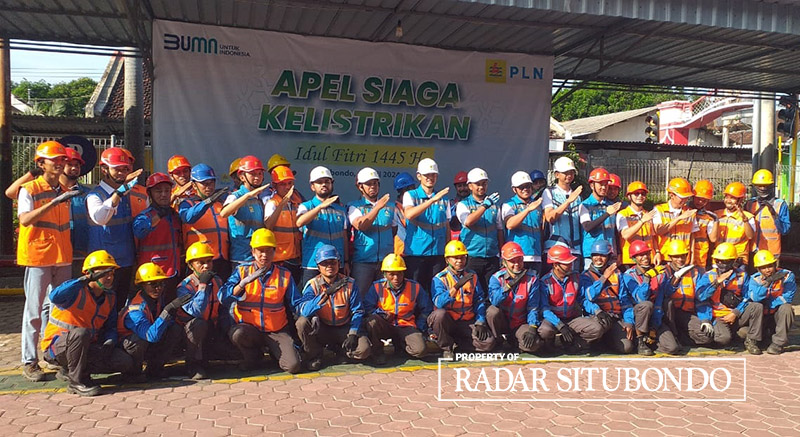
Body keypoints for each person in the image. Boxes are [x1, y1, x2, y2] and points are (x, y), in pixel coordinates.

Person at [17, 141, 79, 381]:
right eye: (56, 160)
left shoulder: (63, 192)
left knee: (60, 311)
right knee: (34, 311)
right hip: (38, 257)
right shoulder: (30, 189)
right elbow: (24, 220)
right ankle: (30, 361)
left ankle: (54, 355)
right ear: (41, 164)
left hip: (62, 257)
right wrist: (52, 203)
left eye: (62, 160)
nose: (61, 164)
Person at [41, 250, 133, 396]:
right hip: (56, 348)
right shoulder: (75, 291)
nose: (109, 277)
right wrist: (84, 280)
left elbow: (110, 327)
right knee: (80, 333)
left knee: (124, 361)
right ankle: (76, 382)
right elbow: (55, 296)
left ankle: (69, 370)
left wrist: (109, 342)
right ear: (90, 273)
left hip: (85, 346)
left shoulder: (110, 298)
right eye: (104, 273)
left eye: (112, 273)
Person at [219, 229, 302, 373]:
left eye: (269, 250)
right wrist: (241, 284)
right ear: (252, 252)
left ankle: (275, 352)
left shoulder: (284, 274)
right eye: (260, 251)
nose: (264, 255)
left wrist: (309, 313)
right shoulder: (242, 271)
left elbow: (297, 303)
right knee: (237, 333)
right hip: (251, 330)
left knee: (293, 366)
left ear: (274, 251)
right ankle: (253, 357)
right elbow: (222, 298)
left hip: (276, 331)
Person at [296, 245, 370, 370]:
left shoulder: (350, 283)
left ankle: (341, 351)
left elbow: (357, 311)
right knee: (302, 323)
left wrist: (353, 333)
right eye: (324, 263)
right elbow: (304, 311)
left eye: (333, 262)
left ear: (339, 263)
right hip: (322, 328)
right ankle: (315, 356)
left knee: (364, 350)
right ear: (318, 266)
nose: (329, 266)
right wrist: (325, 295)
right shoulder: (312, 285)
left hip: (344, 327)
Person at [86, 147, 141, 311]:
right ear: (104, 169)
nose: (121, 173)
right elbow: (100, 217)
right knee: (101, 307)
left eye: (124, 169)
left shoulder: (129, 195)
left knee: (119, 306)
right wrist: (118, 194)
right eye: (117, 169)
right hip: (103, 263)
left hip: (125, 260)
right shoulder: (95, 196)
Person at [118, 263, 189, 380]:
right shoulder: (135, 310)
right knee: (139, 341)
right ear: (142, 285)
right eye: (153, 284)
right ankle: (132, 373)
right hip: (127, 348)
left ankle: (154, 369)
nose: (158, 288)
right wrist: (167, 311)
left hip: (148, 342)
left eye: (161, 284)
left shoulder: (156, 300)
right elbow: (151, 336)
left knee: (175, 329)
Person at [428, 240, 496, 359]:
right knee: (439, 315)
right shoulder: (440, 278)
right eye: (455, 258)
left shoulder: (472, 275)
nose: (459, 261)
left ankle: (461, 343)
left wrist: (480, 321)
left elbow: (479, 300)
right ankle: (446, 348)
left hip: (466, 321)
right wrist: (456, 287)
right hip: (448, 321)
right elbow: (439, 303)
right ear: (447, 260)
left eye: (462, 257)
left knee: (488, 343)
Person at [364, 254, 432, 364]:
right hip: (385, 325)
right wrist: (381, 313)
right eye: (391, 274)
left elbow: (426, 308)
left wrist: (419, 327)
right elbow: (367, 307)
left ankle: (401, 345)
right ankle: (377, 352)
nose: (396, 278)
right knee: (372, 321)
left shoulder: (414, 286)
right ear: (385, 274)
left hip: (406, 325)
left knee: (420, 351)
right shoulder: (377, 287)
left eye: (399, 273)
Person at [486, 242, 553, 354]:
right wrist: (508, 286)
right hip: (502, 321)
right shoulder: (496, 278)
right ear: (504, 262)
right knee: (492, 311)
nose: (517, 264)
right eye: (512, 261)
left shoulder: (532, 279)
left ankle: (514, 341)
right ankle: (498, 342)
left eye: (519, 260)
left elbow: (533, 306)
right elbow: (495, 301)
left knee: (533, 345)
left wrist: (532, 327)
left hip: (519, 323)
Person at [696, 243, 762, 354]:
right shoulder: (709, 275)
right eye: (718, 260)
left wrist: (735, 313)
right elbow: (700, 296)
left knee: (756, 306)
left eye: (725, 261)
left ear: (733, 261)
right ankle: (736, 334)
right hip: (719, 316)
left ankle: (752, 341)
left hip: (736, 314)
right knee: (723, 339)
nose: (721, 264)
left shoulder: (742, 275)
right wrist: (717, 283)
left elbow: (748, 297)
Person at [176, 242, 226, 380]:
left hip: (211, 328)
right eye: (201, 263)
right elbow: (196, 311)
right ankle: (192, 364)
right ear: (191, 266)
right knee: (199, 324)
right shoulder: (184, 287)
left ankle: (210, 356)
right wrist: (202, 286)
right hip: (190, 333)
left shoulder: (217, 281)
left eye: (209, 261)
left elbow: (223, 305)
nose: (206, 266)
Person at [539, 245, 604, 352]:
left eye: (570, 262)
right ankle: (549, 343)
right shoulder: (545, 282)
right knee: (545, 331)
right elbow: (544, 310)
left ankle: (572, 344)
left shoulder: (576, 278)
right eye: (566, 263)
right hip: (553, 321)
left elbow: (583, 300)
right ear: (555, 265)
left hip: (571, 319)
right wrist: (560, 325)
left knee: (596, 329)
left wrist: (597, 311)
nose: (570, 265)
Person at [347, 167, 399, 298]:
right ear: (360, 187)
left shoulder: (391, 206)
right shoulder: (354, 206)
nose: (372, 187)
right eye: (368, 184)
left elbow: (394, 229)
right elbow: (361, 225)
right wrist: (377, 208)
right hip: (363, 262)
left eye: (375, 183)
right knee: (360, 296)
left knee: (386, 297)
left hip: (386, 261)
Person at [622, 240, 680, 355]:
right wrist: (647, 278)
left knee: (672, 348)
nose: (645, 257)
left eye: (647, 254)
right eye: (641, 255)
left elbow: (664, 294)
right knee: (646, 305)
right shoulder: (628, 275)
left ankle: (653, 341)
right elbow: (641, 298)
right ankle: (640, 342)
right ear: (633, 258)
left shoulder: (658, 273)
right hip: (638, 318)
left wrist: (675, 280)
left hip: (654, 317)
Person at [133, 173, 183, 302]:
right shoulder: (145, 215)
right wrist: (159, 216)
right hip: (152, 275)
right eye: (158, 191)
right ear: (150, 194)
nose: (164, 194)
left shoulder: (174, 215)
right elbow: (140, 231)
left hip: (173, 271)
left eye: (167, 191)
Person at [403, 158, 451, 290]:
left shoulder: (443, 198)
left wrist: (447, 251)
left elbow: (446, 226)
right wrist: (431, 200)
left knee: (436, 289)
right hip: (417, 253)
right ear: (419, 176)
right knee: (416, 290)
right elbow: (409, 214)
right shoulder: (410, 195)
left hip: (438, 253)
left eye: (433, 175)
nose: (430, 178)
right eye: (426, 175)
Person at [580, 240, 636, 354]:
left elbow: (624, 300)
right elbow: (588, 297)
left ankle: (608, 340)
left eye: (602, 255)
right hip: (598, 316)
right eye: (595, 255)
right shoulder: (586, 275)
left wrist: (628, 321)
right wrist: (604, 278)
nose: (598, 258)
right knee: (597, 329)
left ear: (609, 257)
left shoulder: (618, 274)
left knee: (627, 347)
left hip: (615, 317)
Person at [297, 166, 349, 286]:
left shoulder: (341, 210)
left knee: (338, 299)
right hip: (313, 264)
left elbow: (344, 237)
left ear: (332, 184)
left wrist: (346, 262)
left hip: (336, 264)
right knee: (311, 300)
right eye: (319, 182)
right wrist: (320, 207)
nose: (324, 185)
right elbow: (299, 222)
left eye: (327, 181)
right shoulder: (306, 206)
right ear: (312, 186)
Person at [178, 164, 231, 280]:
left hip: (222, 261)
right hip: (200, 262)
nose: (209, 187)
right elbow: (188, 217)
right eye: (204, 183)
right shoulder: (187, 204)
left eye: (211, 183)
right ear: (193, 185)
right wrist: (208, 202)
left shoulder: (220, 203)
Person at [456, 168, 503, 292]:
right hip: (472, 256)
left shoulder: (494, 204)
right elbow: (468, 221)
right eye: (478, 184)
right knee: (472, 291)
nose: (481, 187)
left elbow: (499, 229)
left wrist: (501, 253)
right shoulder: (463, 204)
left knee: (491, 291)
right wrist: (485, 205)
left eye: (484, 183)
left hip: (491, 256)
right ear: (470, 186)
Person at [220, 155, 271, 267]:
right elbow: (224, 213)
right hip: (241, 260)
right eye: (252, 174)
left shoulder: (258, 199)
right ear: (242, 177)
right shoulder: (235, 196)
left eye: (260, 173)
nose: (257, 177)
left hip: (257, 259)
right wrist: (247, 195)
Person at [660, 240, 711, 347]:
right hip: (668, 315)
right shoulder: (664, 271)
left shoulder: (695, 272)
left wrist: (705, 319)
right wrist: (676, 278)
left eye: (683, 256)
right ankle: (673, 335)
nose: (680, 259)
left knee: (707, 337)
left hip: (687, 314)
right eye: (676, 257)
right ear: (670, 257)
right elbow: (664, 293)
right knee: (667, 302)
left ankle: (682, 337)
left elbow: (701, 298)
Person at [748, 250, 796, 355]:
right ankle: (753, 341)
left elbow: (787, 298)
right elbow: (755, 297)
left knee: (787, 308)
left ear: (775, 264)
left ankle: (778, 344)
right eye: (763, 268)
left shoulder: (787, 276)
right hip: (761, 317)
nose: (767, 270)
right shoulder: (754, 279)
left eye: (770, 266)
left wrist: (770, 305)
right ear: (758, 269)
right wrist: (767, 282)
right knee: (756, 307)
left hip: (776, 313)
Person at [263, 165, 303, 285]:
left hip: (295, 258)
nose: (287, 187)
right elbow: (268, 225)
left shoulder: (297, 202)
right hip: (279, 259)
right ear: (274, 186)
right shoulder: (272, 203)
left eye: (290, 183)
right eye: (282, 184)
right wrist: (281, 205)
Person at [542, 156, 583, 270]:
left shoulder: (577, 196)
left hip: (575, 249)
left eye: (571, 172)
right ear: (556, 174)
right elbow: (550, 217)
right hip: (555, 247)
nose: (569, 175)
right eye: (565, 172)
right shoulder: (549, 192)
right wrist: (569, 201)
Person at [579, 167, 622, 268]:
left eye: (606, 184)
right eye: (600, 184)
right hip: (592, 255)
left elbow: (616, 232)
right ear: (592, 185)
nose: (603, 187)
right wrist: (607, 214)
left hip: (610, 254)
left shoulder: (611, 205)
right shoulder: (585, 205)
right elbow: (587, 227)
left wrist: (618, 252)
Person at [502, 171, 544, 274]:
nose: (525, 189)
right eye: (521, 187)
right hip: (517, 257)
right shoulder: (509, 205)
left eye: (528, 186)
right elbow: (510, 224)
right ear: (514, 189)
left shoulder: (537, 205)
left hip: (536, 256)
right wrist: (528, 210)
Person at [61, 147, 93, 276]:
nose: (74, 168)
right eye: (69, 164)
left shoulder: (88, 194)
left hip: (82, 254)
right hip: (58, 254)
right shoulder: (51, 193)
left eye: (77, 165)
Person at [747, 169, 790, 258]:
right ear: (755, 186)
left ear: (771, 186)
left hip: (771, 254)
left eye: (766, 186)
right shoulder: (750, 204)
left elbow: (785, 230)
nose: (763, 188)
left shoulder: (780, 204)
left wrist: (774, 215)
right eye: (760, 186)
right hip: (753, 252)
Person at [653, 177, 698, 262]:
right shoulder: (659, 210)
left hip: (683, 259)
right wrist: (679, 218)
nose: (685, 200)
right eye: (682, 197)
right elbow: (658, 231)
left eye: (687, 197)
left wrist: (692, 260)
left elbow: (692, 238)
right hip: (665, 258)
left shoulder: (690, 212)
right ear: (672, 195)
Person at [616, 181, 658, 268]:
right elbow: (625, 235)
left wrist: (657, 252)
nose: (640, 196)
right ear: (629, 196)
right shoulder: (623, 214)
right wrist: (642, 221)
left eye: (643, 194)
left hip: (648, 259)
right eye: (636, 194)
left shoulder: (647, 214)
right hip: (631, 260)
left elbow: (653, 237)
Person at [716, 182, 755, 266]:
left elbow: (750, 236)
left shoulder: (748, 217)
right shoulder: (716, 215)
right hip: (719, 259)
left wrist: (745, 220)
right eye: (727, 197)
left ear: (740, 200)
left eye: (733, 198)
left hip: (738, 261)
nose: (728, 200)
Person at [690, 180, 718, 269]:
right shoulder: (684, 211)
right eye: (698, 198)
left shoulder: (708, 217)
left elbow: (713, 239)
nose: (700, 202)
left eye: (704, 200)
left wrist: (716, 221)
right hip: (683, 255)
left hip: (700, 258)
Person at [393, 172, 416, 256]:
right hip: (402, 252)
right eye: (413, 188)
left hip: (413, 251)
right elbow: (401, 232)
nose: (415, 191)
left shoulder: (415, 206)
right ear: (405, 190)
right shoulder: (396, 210)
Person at [449, 171, 469, 240]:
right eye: (459, 186)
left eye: (465, 185)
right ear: (455, 187)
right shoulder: (451, 204)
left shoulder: (476, 204)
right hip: (455, 240)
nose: (463, 188)